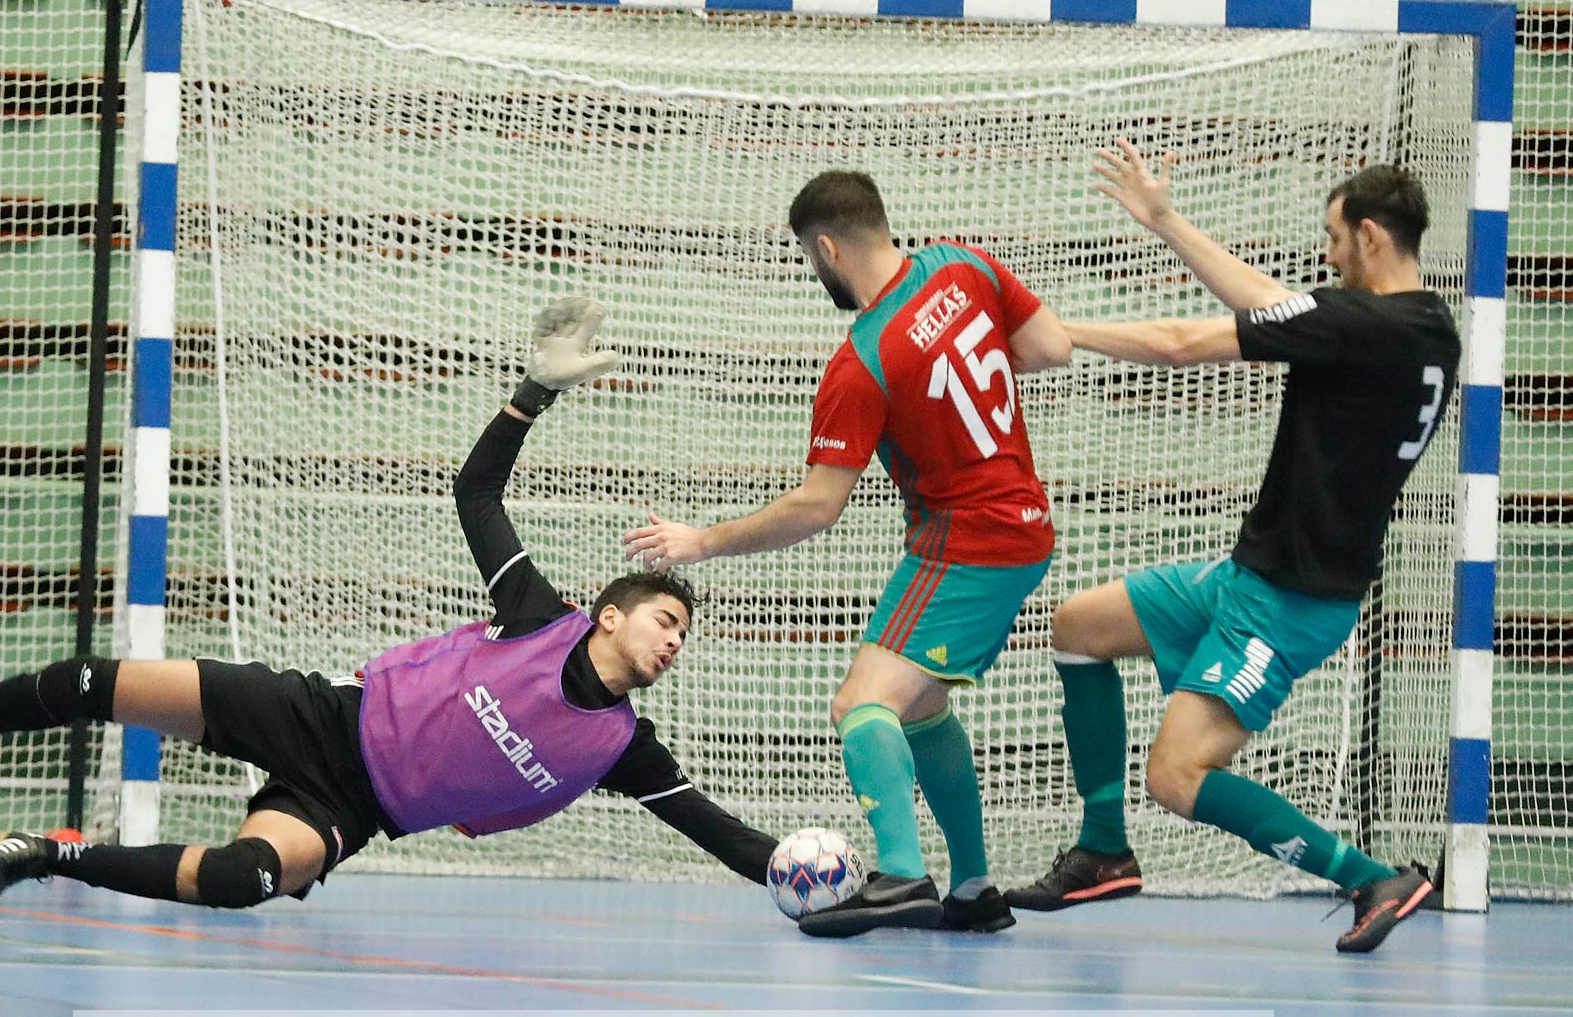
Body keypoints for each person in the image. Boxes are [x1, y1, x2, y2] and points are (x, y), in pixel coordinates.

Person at [0, 298, 777, 908]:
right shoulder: (538, 613)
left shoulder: (623, 747)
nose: (673, 640)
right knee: (94, 679)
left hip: (352, 802)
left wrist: (792, 870)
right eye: (665, 619)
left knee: (243, 879)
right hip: (318, 710)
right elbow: (474, 492)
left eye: (683, 635)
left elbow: (714, 828)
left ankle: (53, 857)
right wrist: (532, 394)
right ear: (611, 612)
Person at [1006, 141, 1459, 954]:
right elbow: (1281, 304)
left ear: (1369, 238)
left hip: (1289, 603)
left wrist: (1054, 331)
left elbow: (1184, 342)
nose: (1326, 256)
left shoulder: (1359, 324)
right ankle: (1104, 848)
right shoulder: (1425, 329)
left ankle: (1368, 875)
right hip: (1246, 575)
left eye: (1332, 237)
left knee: (1177, 775)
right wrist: (1165, 220)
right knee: (1079, 625)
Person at [624, 171, 1071, 937]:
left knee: (861, 703)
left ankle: (899, 875)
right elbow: (1052, 347)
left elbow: (816, 505)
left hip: (969, 538)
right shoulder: (963, 264)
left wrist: (699, 540)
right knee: (923, 707)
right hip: (1024, 520)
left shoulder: (862, 359)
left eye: (810, 258)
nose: (815, 271)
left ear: (826, 247)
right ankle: (975, 889)